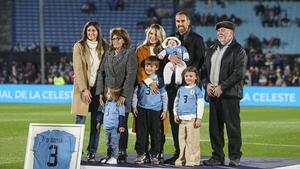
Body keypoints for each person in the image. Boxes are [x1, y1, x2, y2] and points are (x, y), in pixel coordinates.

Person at [202, 21, 247, 166]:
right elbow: (203, 71)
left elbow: (239, 73)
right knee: (214, 128)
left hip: (230, 95)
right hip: (213, 94)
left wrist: (222, 87)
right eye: (218, 30)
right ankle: (217, 156)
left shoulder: (238, 50)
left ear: (231, 33)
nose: (220, 33)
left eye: (223, 30)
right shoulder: (211, 48)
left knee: (232, 127)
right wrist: (206, 84)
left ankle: (234, 157)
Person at [164, 11, 205, 164]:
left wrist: (187, 75)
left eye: (182, 21)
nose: (180, 24)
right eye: (177, 21)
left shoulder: (197, 39)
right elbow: (161, 57)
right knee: (176, 122)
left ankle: (191, 155)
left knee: (191, 123)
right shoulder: (171, 40)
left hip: (189, 88)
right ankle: (179, 153)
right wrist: (169, 57)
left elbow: (201, 63)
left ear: (188, 22)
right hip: (173, 89)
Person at [96, 27, 137, 163]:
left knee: (121, 124)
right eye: (113, 38)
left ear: (124, 40)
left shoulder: (130, 53)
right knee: (109, 125)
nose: (115, 41)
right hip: (108, 95)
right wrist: (100, 94)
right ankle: (110, 153)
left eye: (118, 38)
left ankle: (121, 152)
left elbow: (130, 76)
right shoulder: (108, 53)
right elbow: (101, 73)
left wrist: (124, 95)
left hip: (122, 95)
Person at [71, 21, 106, 162]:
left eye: (94, 30)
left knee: (96, 122)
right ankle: (77, 151)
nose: (91, 33)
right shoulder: (79, 46)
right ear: (85, 32)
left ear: (98, 32)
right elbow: (78, 69)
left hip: (99, 89)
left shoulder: (104, 46)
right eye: (89, 30)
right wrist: (84, 89)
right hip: (83, 89)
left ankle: (92, 151)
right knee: (80, 122)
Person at [135, 23, 167, 163]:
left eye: (155, 34)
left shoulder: (165, 50)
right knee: (142, 129)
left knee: (158, 128)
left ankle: (157, 153)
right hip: (144, 90)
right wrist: (149, 81)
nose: (152, 36)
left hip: (161, 91)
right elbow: (139, 68)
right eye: (150, 34)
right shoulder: (141, 49)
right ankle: (142, 153)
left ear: (160, 35)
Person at [173, 66, 204, 166]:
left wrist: (199, 118)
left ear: (196, 77)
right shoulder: (181, 89)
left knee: (192, 140)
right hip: (182, 119)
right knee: (181, 140)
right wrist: (175, 114)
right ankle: (182, 158)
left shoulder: (197, 90)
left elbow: (200, 104)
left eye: (191, 76)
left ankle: (193, 159)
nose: (188, 78)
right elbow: (176, 102)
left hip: (192, 119)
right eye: (186, 76)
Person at [97, 87, 125, 164]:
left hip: (114, 128)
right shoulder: (107, 103)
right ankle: (108, 156)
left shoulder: (119, 104)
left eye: (108, 93)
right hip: (107, 127)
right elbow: (103, 113)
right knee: (108, 143)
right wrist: (99, 122)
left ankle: (114, 157)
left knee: (114, 143)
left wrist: (121, 126)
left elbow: (121, 116)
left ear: (113, 95)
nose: (106, 94)